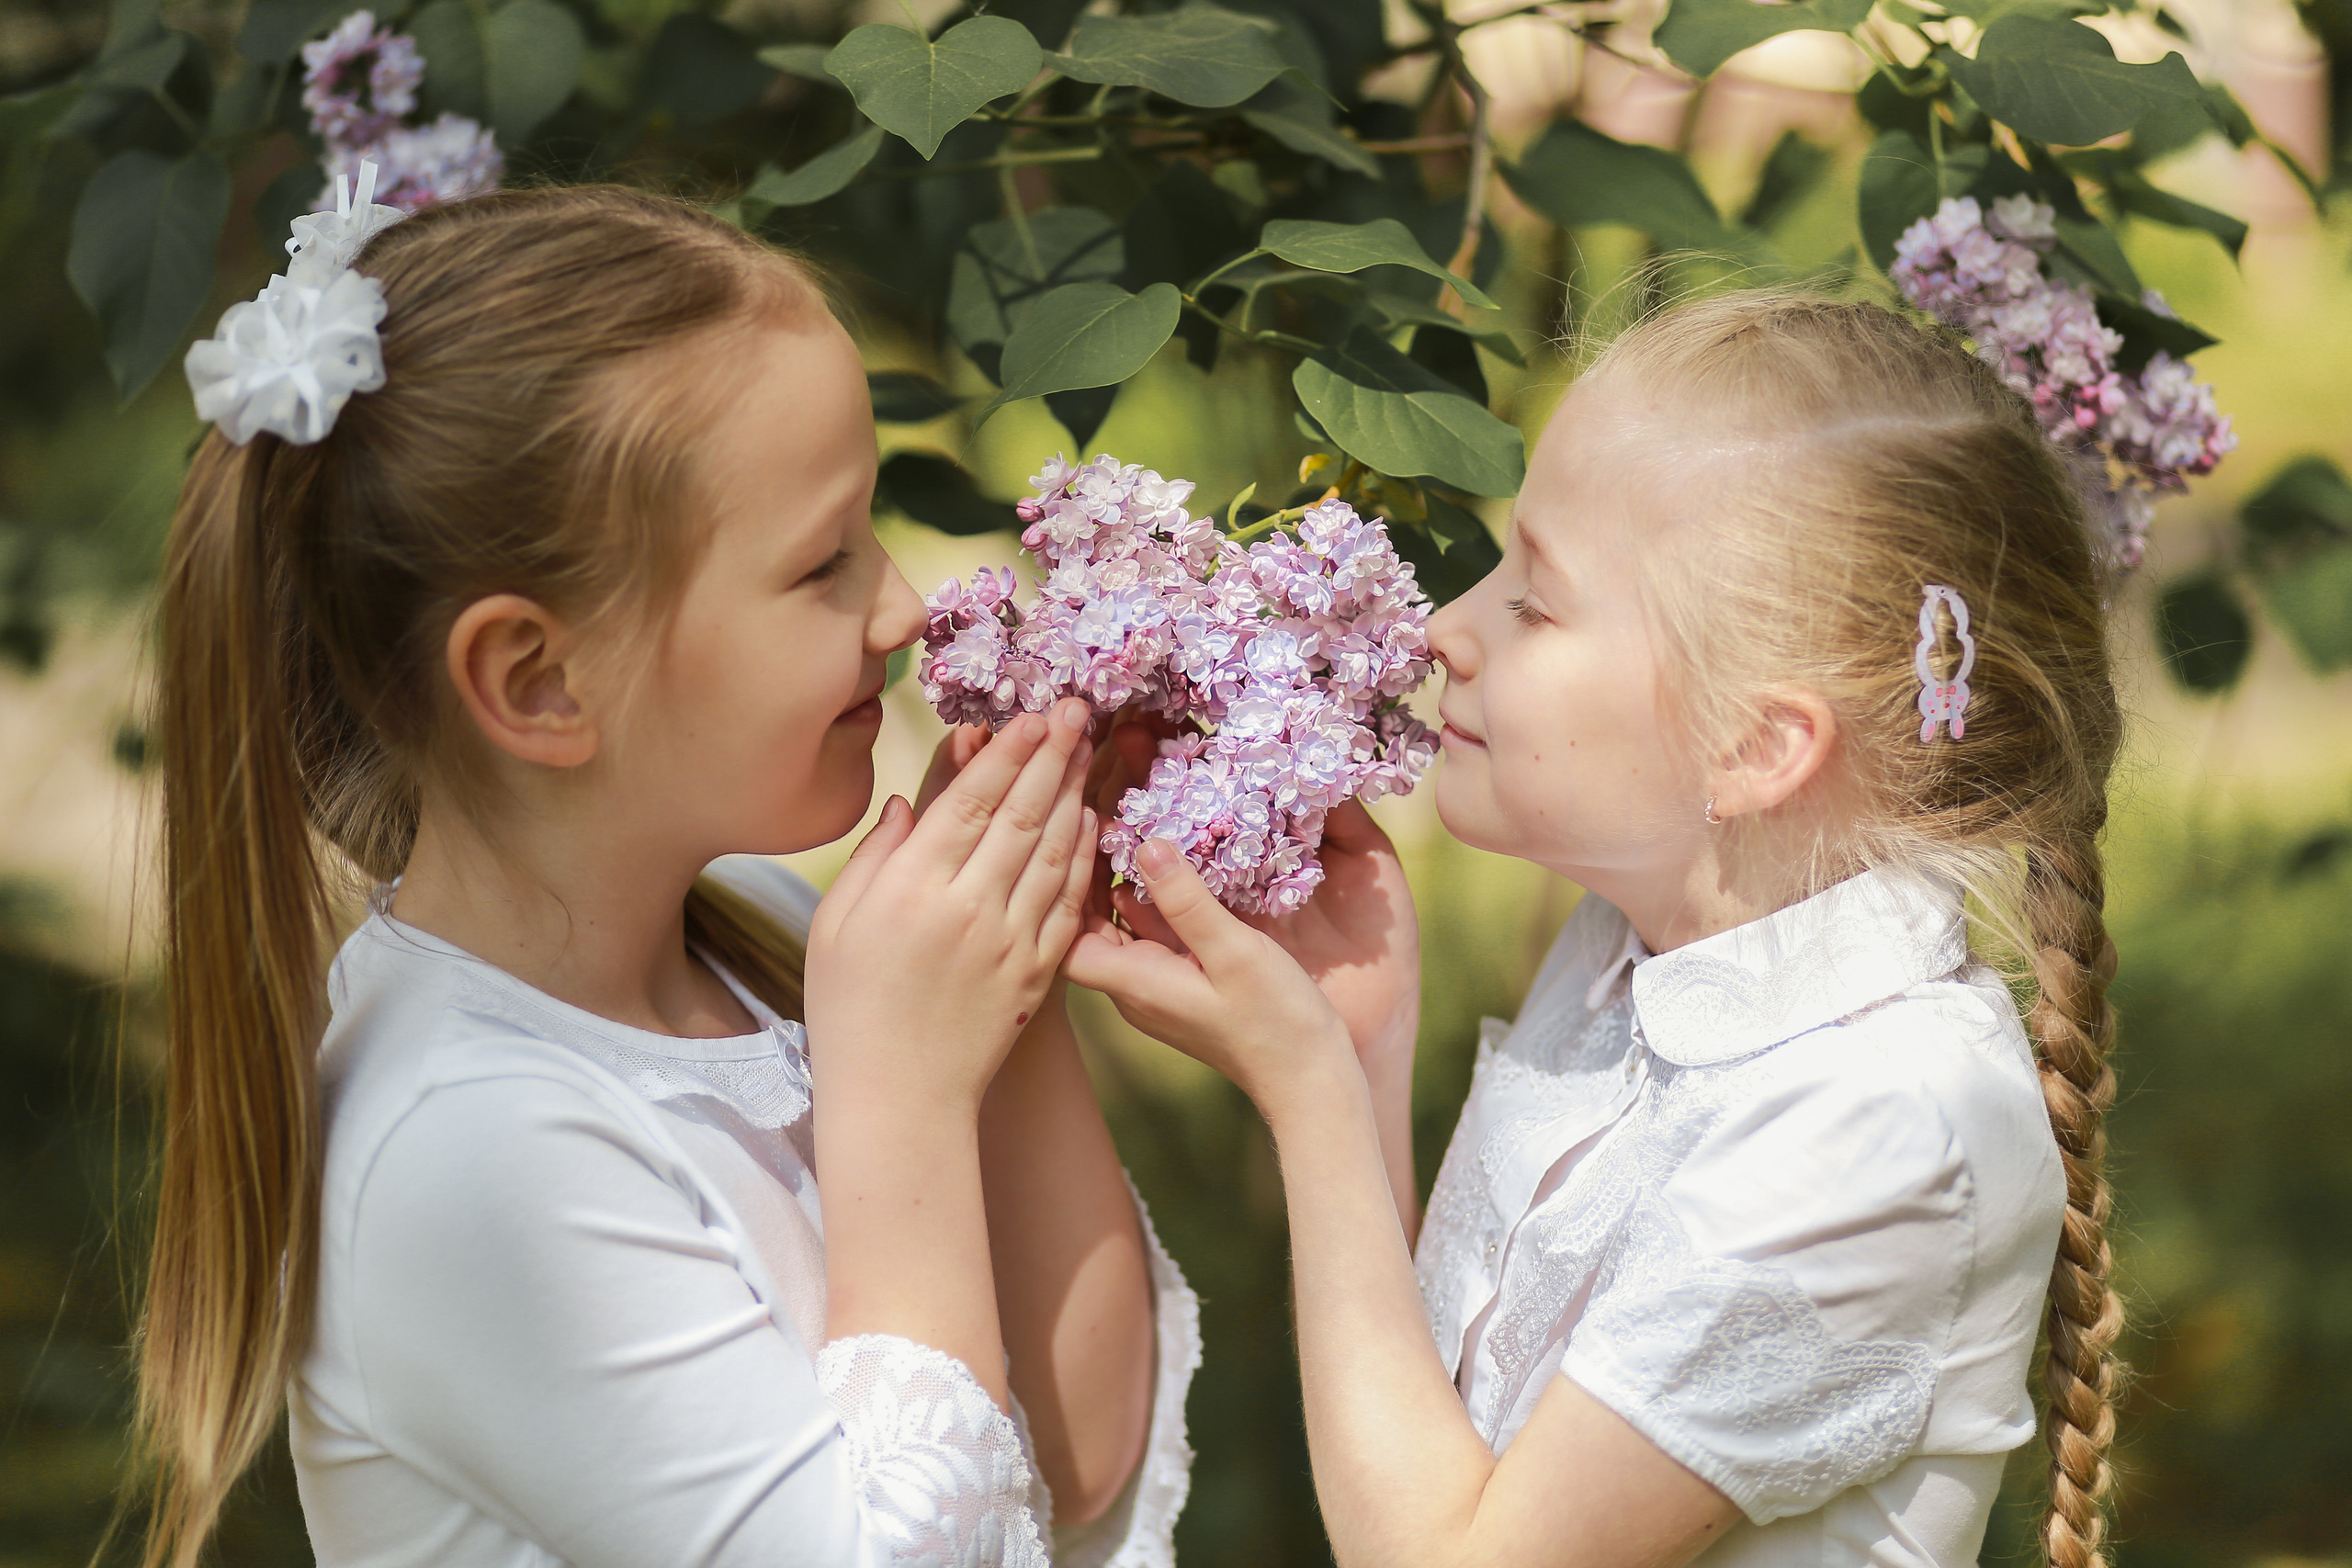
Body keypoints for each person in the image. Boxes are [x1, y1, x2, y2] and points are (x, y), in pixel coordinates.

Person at [138, 175, 1196, 1568]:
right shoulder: (468, 1157)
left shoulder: (756, 926)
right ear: (538, 681)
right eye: (823, 562)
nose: (904, 604)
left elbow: (1068, 1457)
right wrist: (904, 1089)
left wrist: (1009, 954)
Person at [1070, 292, 2124, 1568]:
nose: (1443, 626)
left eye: (1535, 600)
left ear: (1755, 747)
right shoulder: (1636, 949)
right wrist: (1361, 1048)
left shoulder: (1890, 1124)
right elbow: (1441, 1456)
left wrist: (1308, 1098)